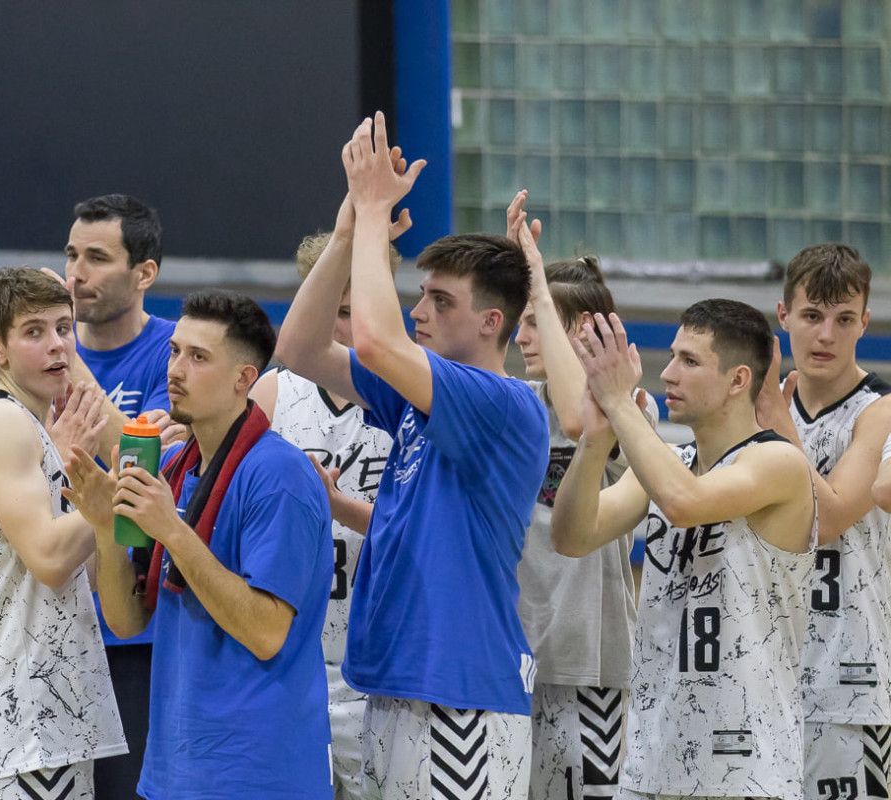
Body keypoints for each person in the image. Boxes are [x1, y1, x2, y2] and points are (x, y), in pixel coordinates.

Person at [276, 113, 548, 799]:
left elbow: (372, 342)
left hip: (461, 695)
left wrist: (372, 217)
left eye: (439, 299)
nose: (419, 309)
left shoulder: (500, 402)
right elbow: (300, 348)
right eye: (420, 292)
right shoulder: (423, 402)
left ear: (492, 323)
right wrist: (345, 234)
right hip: (400, 686)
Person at [65, 288, 334, 799]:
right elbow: (127, 620)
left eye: (198, 357)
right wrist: (103, 525)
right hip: (173, 769)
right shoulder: (174, 469)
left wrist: (173, 530)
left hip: (257, 774)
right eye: (174, 351)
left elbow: (265, 632)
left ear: (243, 379)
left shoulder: (278, 476)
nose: (176, 370)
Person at [551, 300, 815, 800]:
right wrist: (593, 438)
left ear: (738, 380)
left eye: (689, 361)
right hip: (652, 761)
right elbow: (571, 537)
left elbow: (684, 502)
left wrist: (622, 403)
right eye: (672, 357)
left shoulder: (779, 462)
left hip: (746, 771)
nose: (667, 372)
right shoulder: (670, 463)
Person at [0, 267, 125, 800]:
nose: (57, 345)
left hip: (28, 720)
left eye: (64, 328)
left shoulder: (25, 424)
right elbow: (48, 557)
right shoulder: (4, 423)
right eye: (35, 332)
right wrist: (124, 493)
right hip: (22, 723)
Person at [506, 191, 654, 800]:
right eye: (518, 320)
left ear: (587, 335)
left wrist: (541, 282)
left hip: (590, 667)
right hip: (513, 665)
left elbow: (576, 417)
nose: (522, 335)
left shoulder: (630, 409)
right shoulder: (510, 405)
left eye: (535, 321)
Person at [249, 229, 400, 799]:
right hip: (292, 665)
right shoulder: (272, 395)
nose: (351, 325)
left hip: (378, 666)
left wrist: (340, 506)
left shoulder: (414, 396)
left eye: (361, 307)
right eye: (337, 311)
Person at [753, 243, 891, 799]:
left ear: (865, 322)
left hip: (852, 685)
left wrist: (778, 426)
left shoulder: (879, 410)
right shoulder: (759, 409)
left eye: (842, 319)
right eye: (811, 316)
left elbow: (829, 518)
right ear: (783, 316)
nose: (825, 335)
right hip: (764, 681)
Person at [63, 193, 181, 797]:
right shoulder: (36, 359)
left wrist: (62, 354)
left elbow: (140, 463)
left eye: (96, 258)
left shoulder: (174, 354)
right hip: (52, 630)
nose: (75, 273)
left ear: (144, 274)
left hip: (135, 634)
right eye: (71, 255)